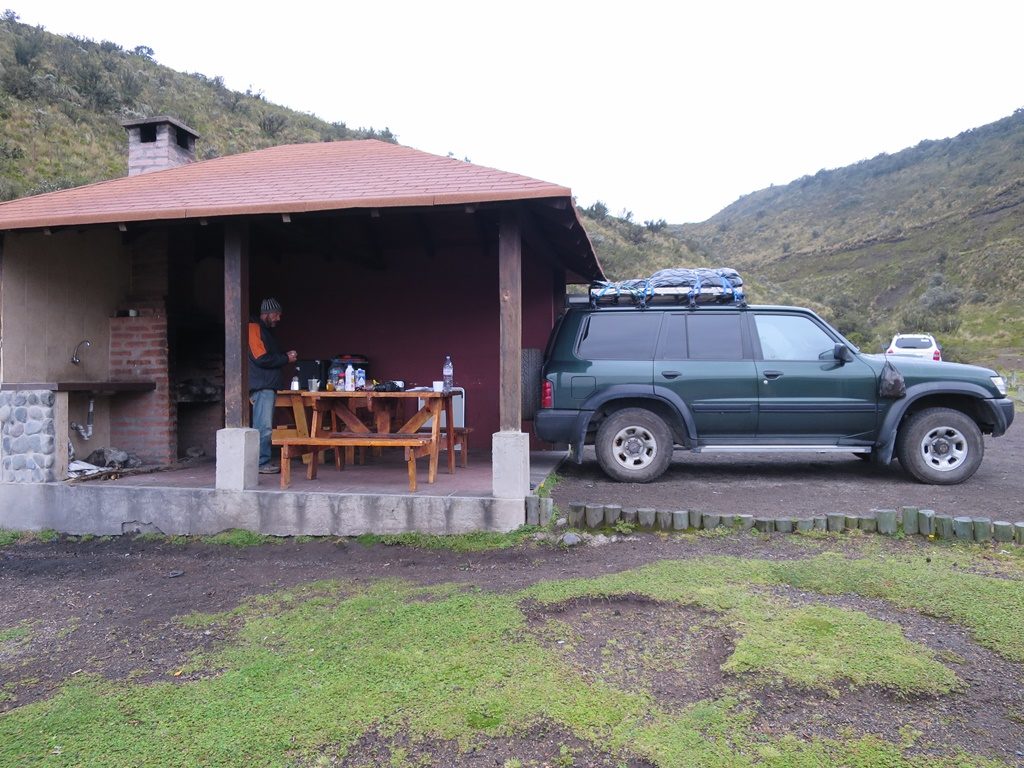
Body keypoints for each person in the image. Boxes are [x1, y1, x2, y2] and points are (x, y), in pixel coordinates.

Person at [248, 298, 297, 474]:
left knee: (265, 426)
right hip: (262, 387)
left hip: (268, 385)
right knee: (263, 427)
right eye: (276, 314)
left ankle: (262, 462)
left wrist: (284, 356)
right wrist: (286, 359)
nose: (278, 318)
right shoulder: (253, 328)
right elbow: (261, 358)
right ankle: (261, 463)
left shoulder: (265, 330)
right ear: (267, 314)